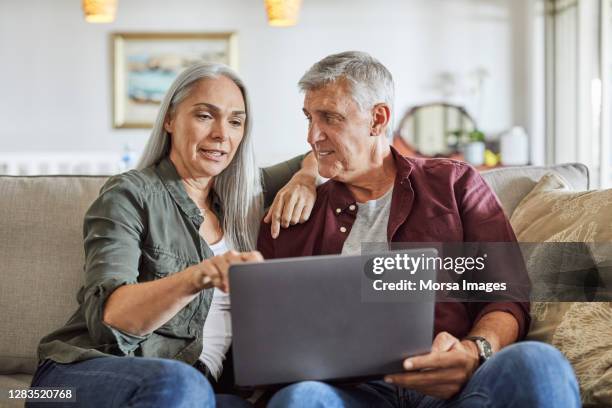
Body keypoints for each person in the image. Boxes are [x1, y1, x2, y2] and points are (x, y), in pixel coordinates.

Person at [257, 51, 581, 407]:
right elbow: (270, 334)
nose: (312, 136)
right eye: (308, 118)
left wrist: (474, 352)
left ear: (377, 119)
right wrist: (305, 175)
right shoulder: (294, 215)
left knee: (538, 362)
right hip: (351, 394)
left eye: (330, 118)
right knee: (302, 398)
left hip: (456, 390)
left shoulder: (453, 185)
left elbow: (506, 295)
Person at [29, 62, 318, 408]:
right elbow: (113, 318)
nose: (221, 134)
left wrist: (306, 177)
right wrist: (200, 276)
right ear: (169, 120)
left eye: (235, 121)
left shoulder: (245, 197)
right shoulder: (129, 194)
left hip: (196, 387)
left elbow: (322, 152)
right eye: (204, 116)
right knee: (180, 383)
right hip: (81, 375)